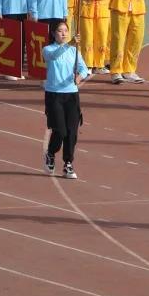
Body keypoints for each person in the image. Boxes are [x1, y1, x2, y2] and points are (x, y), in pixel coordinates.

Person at [43, 21, 91, 180]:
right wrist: (69, 44)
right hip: (54, 94)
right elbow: (54, 56)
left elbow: (84, 69)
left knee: (71, 132)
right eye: (60, 31)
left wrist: (79, 77)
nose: (63, 33)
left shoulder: (74, 51)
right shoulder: (48, 50)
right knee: (60, 130)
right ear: (53, 33)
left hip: (71, 95)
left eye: (65, 30)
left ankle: (68, 163)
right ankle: (51, 153)